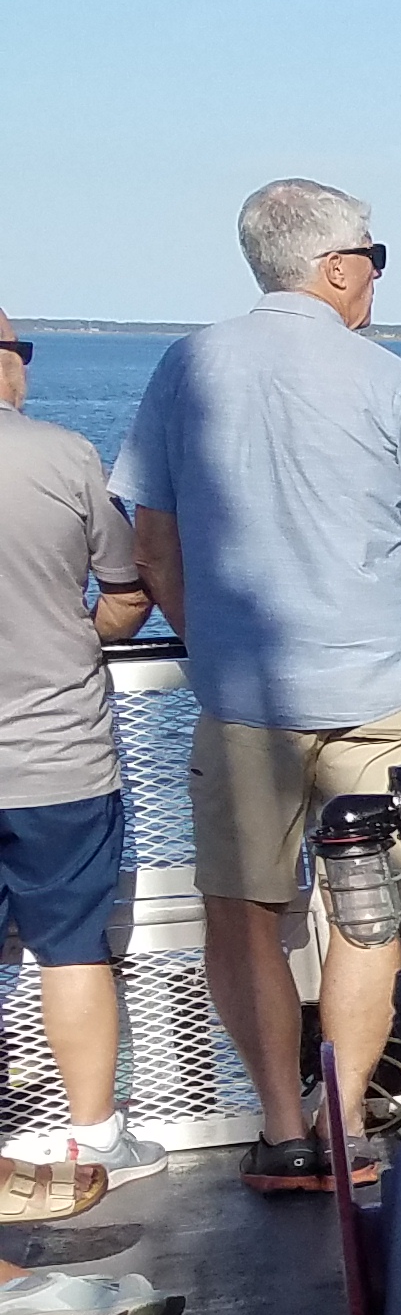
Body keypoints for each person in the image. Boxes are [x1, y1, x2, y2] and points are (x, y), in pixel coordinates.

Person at [112, 181, 401, 1194]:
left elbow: (152, 546)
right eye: (375, 257)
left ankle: (279, 1130)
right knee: (368, 912)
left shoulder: (185, 367)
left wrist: (214, 641)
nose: (377, 276)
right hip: (378, 694)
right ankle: (343, 1125)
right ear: (337, 267)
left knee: (240, 913)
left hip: (242, 702)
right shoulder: (389, 380)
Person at [0, 308, 163, 1219]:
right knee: (69, 950)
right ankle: (96, 1134)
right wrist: (76, 637)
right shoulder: (64, 458)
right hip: (58, 754)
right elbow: (129, 593)